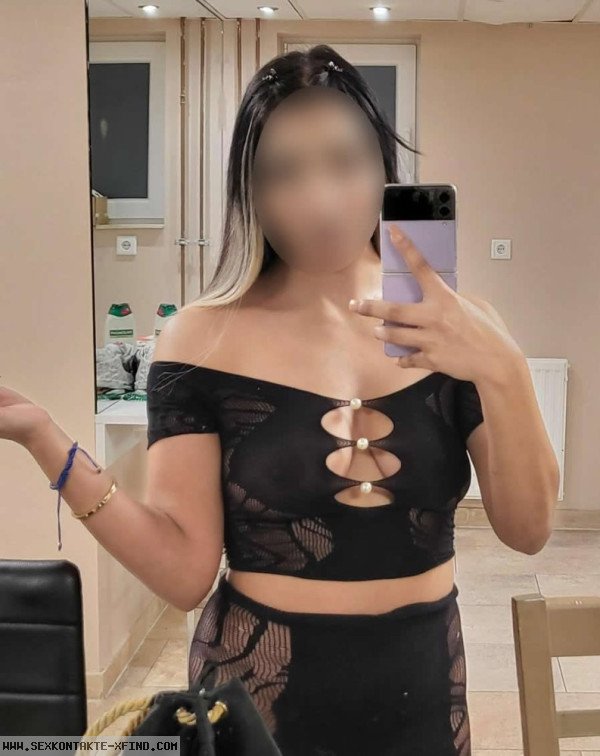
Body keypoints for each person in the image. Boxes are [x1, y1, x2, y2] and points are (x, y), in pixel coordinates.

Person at [1, 44, 558, 756]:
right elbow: (184, 573)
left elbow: (529, 529)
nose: (319, 200)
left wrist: (503, 367)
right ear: (251, 192)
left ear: (384, 170)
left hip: (422, 693)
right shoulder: (200, 337)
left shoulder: (457, 329)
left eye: (345, 162)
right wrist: (45, 439)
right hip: (258, 702)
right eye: (282, 172)